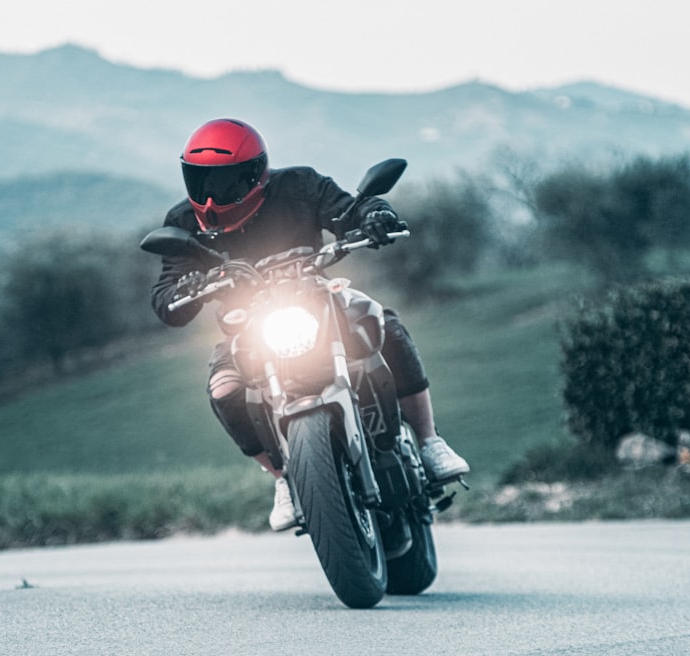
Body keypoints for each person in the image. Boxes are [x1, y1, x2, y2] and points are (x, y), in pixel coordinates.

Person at [149, 118, 470, 531]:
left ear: (253, 174)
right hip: (249, 327)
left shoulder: (299, 186)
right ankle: (284, 479)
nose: (211, 195)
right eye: (201, 180)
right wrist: (187, 285)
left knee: (383, 324)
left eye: (224, 181)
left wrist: (376, 214)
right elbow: (165, 296)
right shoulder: (184, 222)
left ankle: (429, 442)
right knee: (224, 388)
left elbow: (350, 209)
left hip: (321, 298)